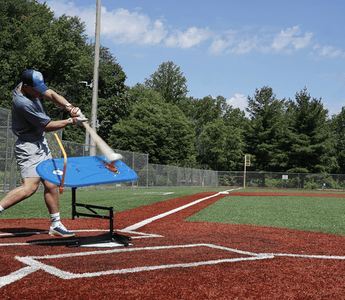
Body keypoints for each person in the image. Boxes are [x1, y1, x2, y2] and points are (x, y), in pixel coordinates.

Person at [0, 70, 87, 237]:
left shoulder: (27, 87)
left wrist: (70, 107)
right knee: (29, 188)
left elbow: (52, 94)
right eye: (36, 90)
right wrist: (72, 121)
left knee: (50, 183)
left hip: (40, 143)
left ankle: (56, 225)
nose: (39, 93)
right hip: (29, 146)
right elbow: (46, 126)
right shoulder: (22, 103)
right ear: (26, 87)